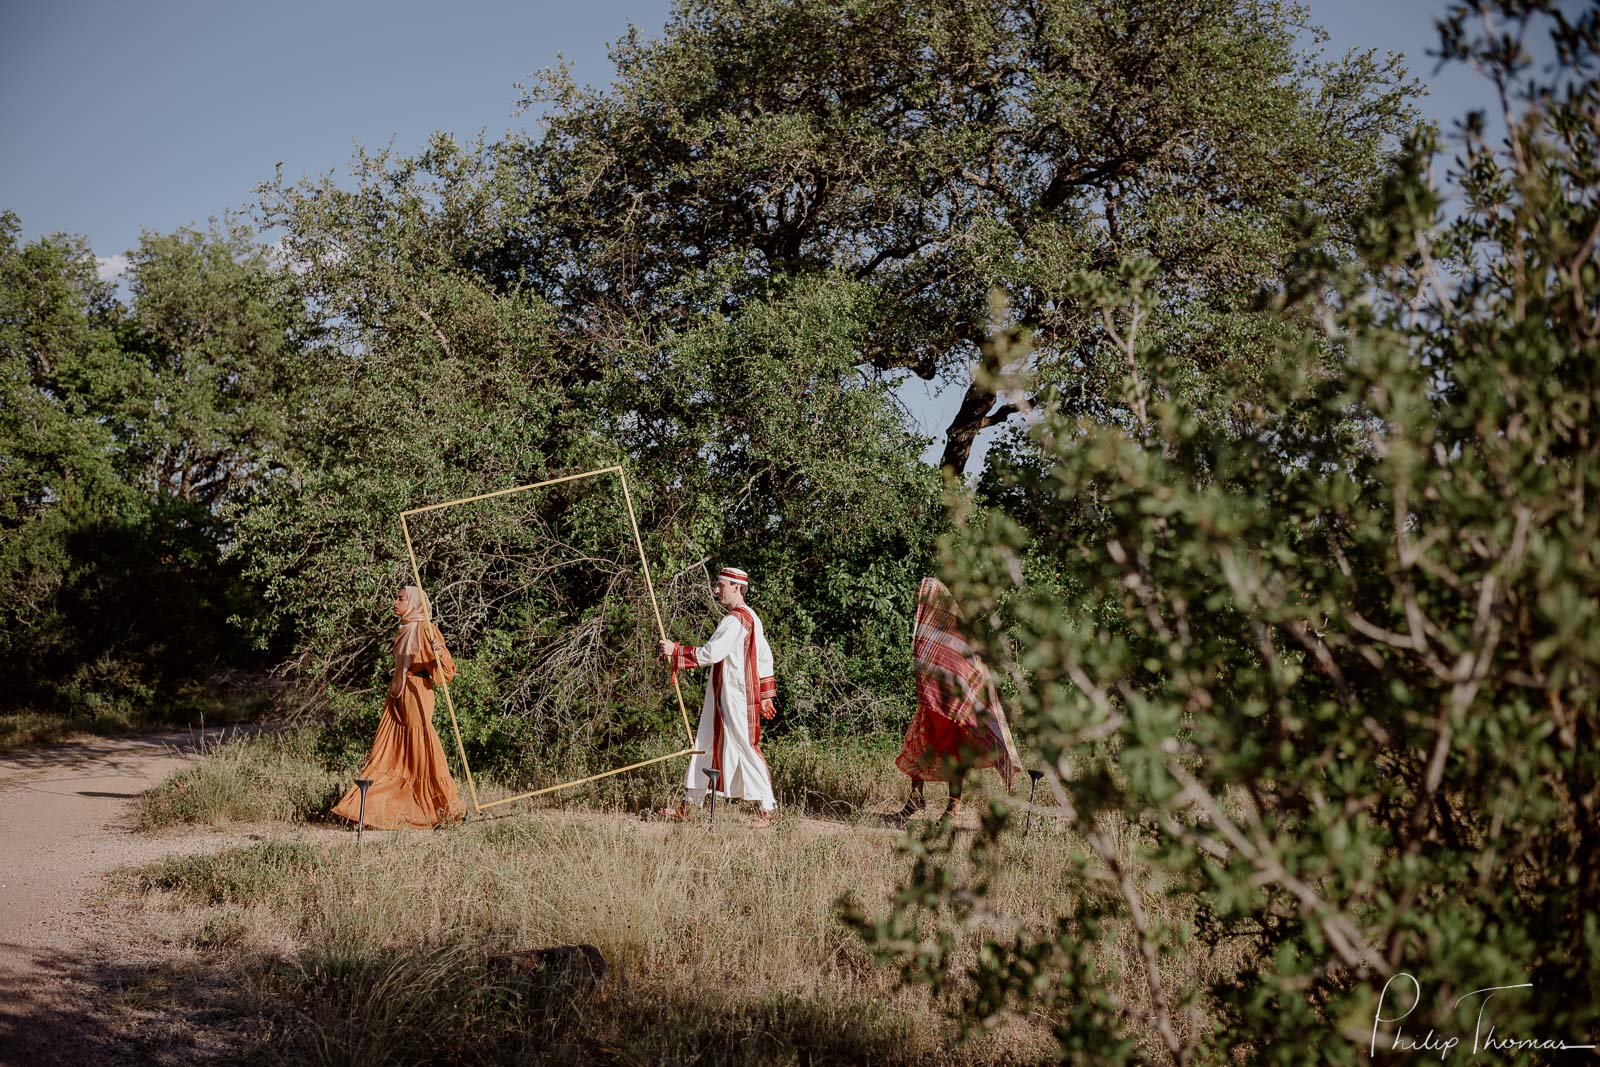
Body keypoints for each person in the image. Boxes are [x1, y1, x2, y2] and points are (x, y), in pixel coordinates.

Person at [330, 585, 464, 830]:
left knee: (419, 747)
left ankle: (436, 807)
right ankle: (372, 808)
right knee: (390, 751)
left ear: (413, 603)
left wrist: (439, 653)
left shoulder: (426, 628)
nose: (395, 602)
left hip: (417, 693)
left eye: (400, 599)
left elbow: (447, 672)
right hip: (397, 695)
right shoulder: (404, 629)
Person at [658, 566, 778, 827]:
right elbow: (765, 658)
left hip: (736, 695)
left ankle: (767, 808)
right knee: (706, 742)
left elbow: (713, 653)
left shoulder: (736, 620)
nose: (716, 590)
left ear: (737, 587)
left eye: (721, 586)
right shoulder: (750, 617)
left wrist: (676, 651)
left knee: (746, 745)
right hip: (724, 693)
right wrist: (766, 695)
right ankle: (690, 804)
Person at [894, 577, 1020, 821]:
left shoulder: (957, 632)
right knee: (917, 745)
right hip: (932, 705)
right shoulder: (928, 631)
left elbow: (968, 669)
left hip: (954, 707)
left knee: (953, 755)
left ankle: (954, 806)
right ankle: (915, 799)